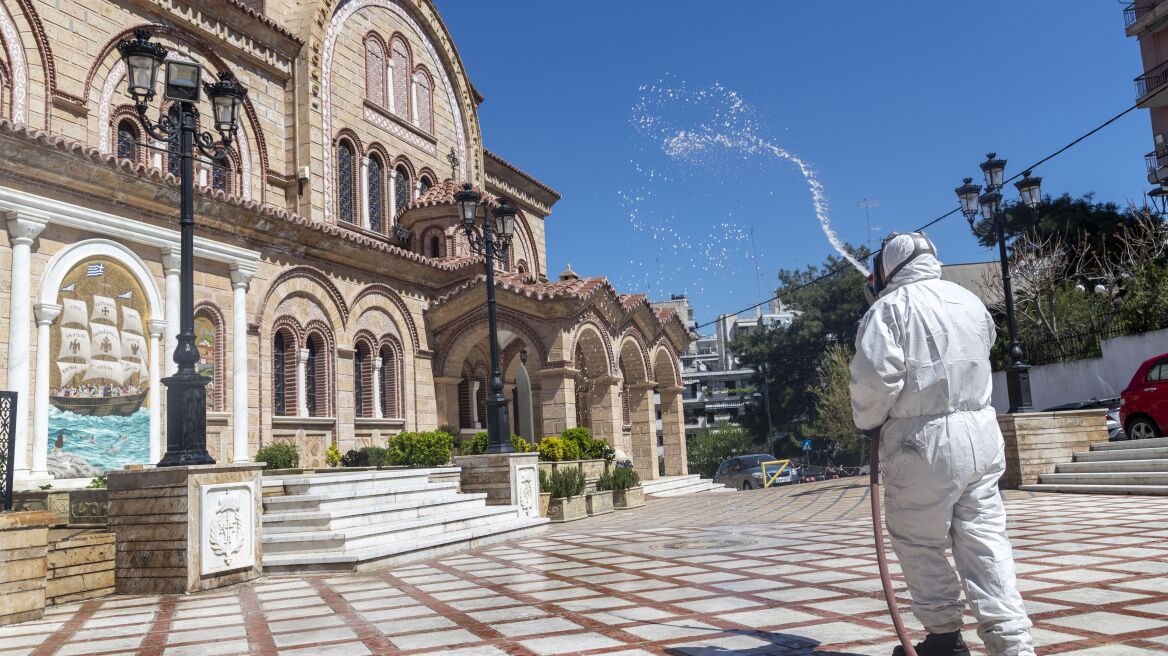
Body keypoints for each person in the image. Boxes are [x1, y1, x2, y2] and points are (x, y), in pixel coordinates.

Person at [849, 232, 1034, 656]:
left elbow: (875, 380)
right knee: (986, 541)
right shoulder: (969, 301)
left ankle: (944, 638)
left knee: (920, 541)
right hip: (981, 436)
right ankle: (1013, 644)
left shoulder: (889, 309)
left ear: (888, 268)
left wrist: (868, 419)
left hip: (923, 443)